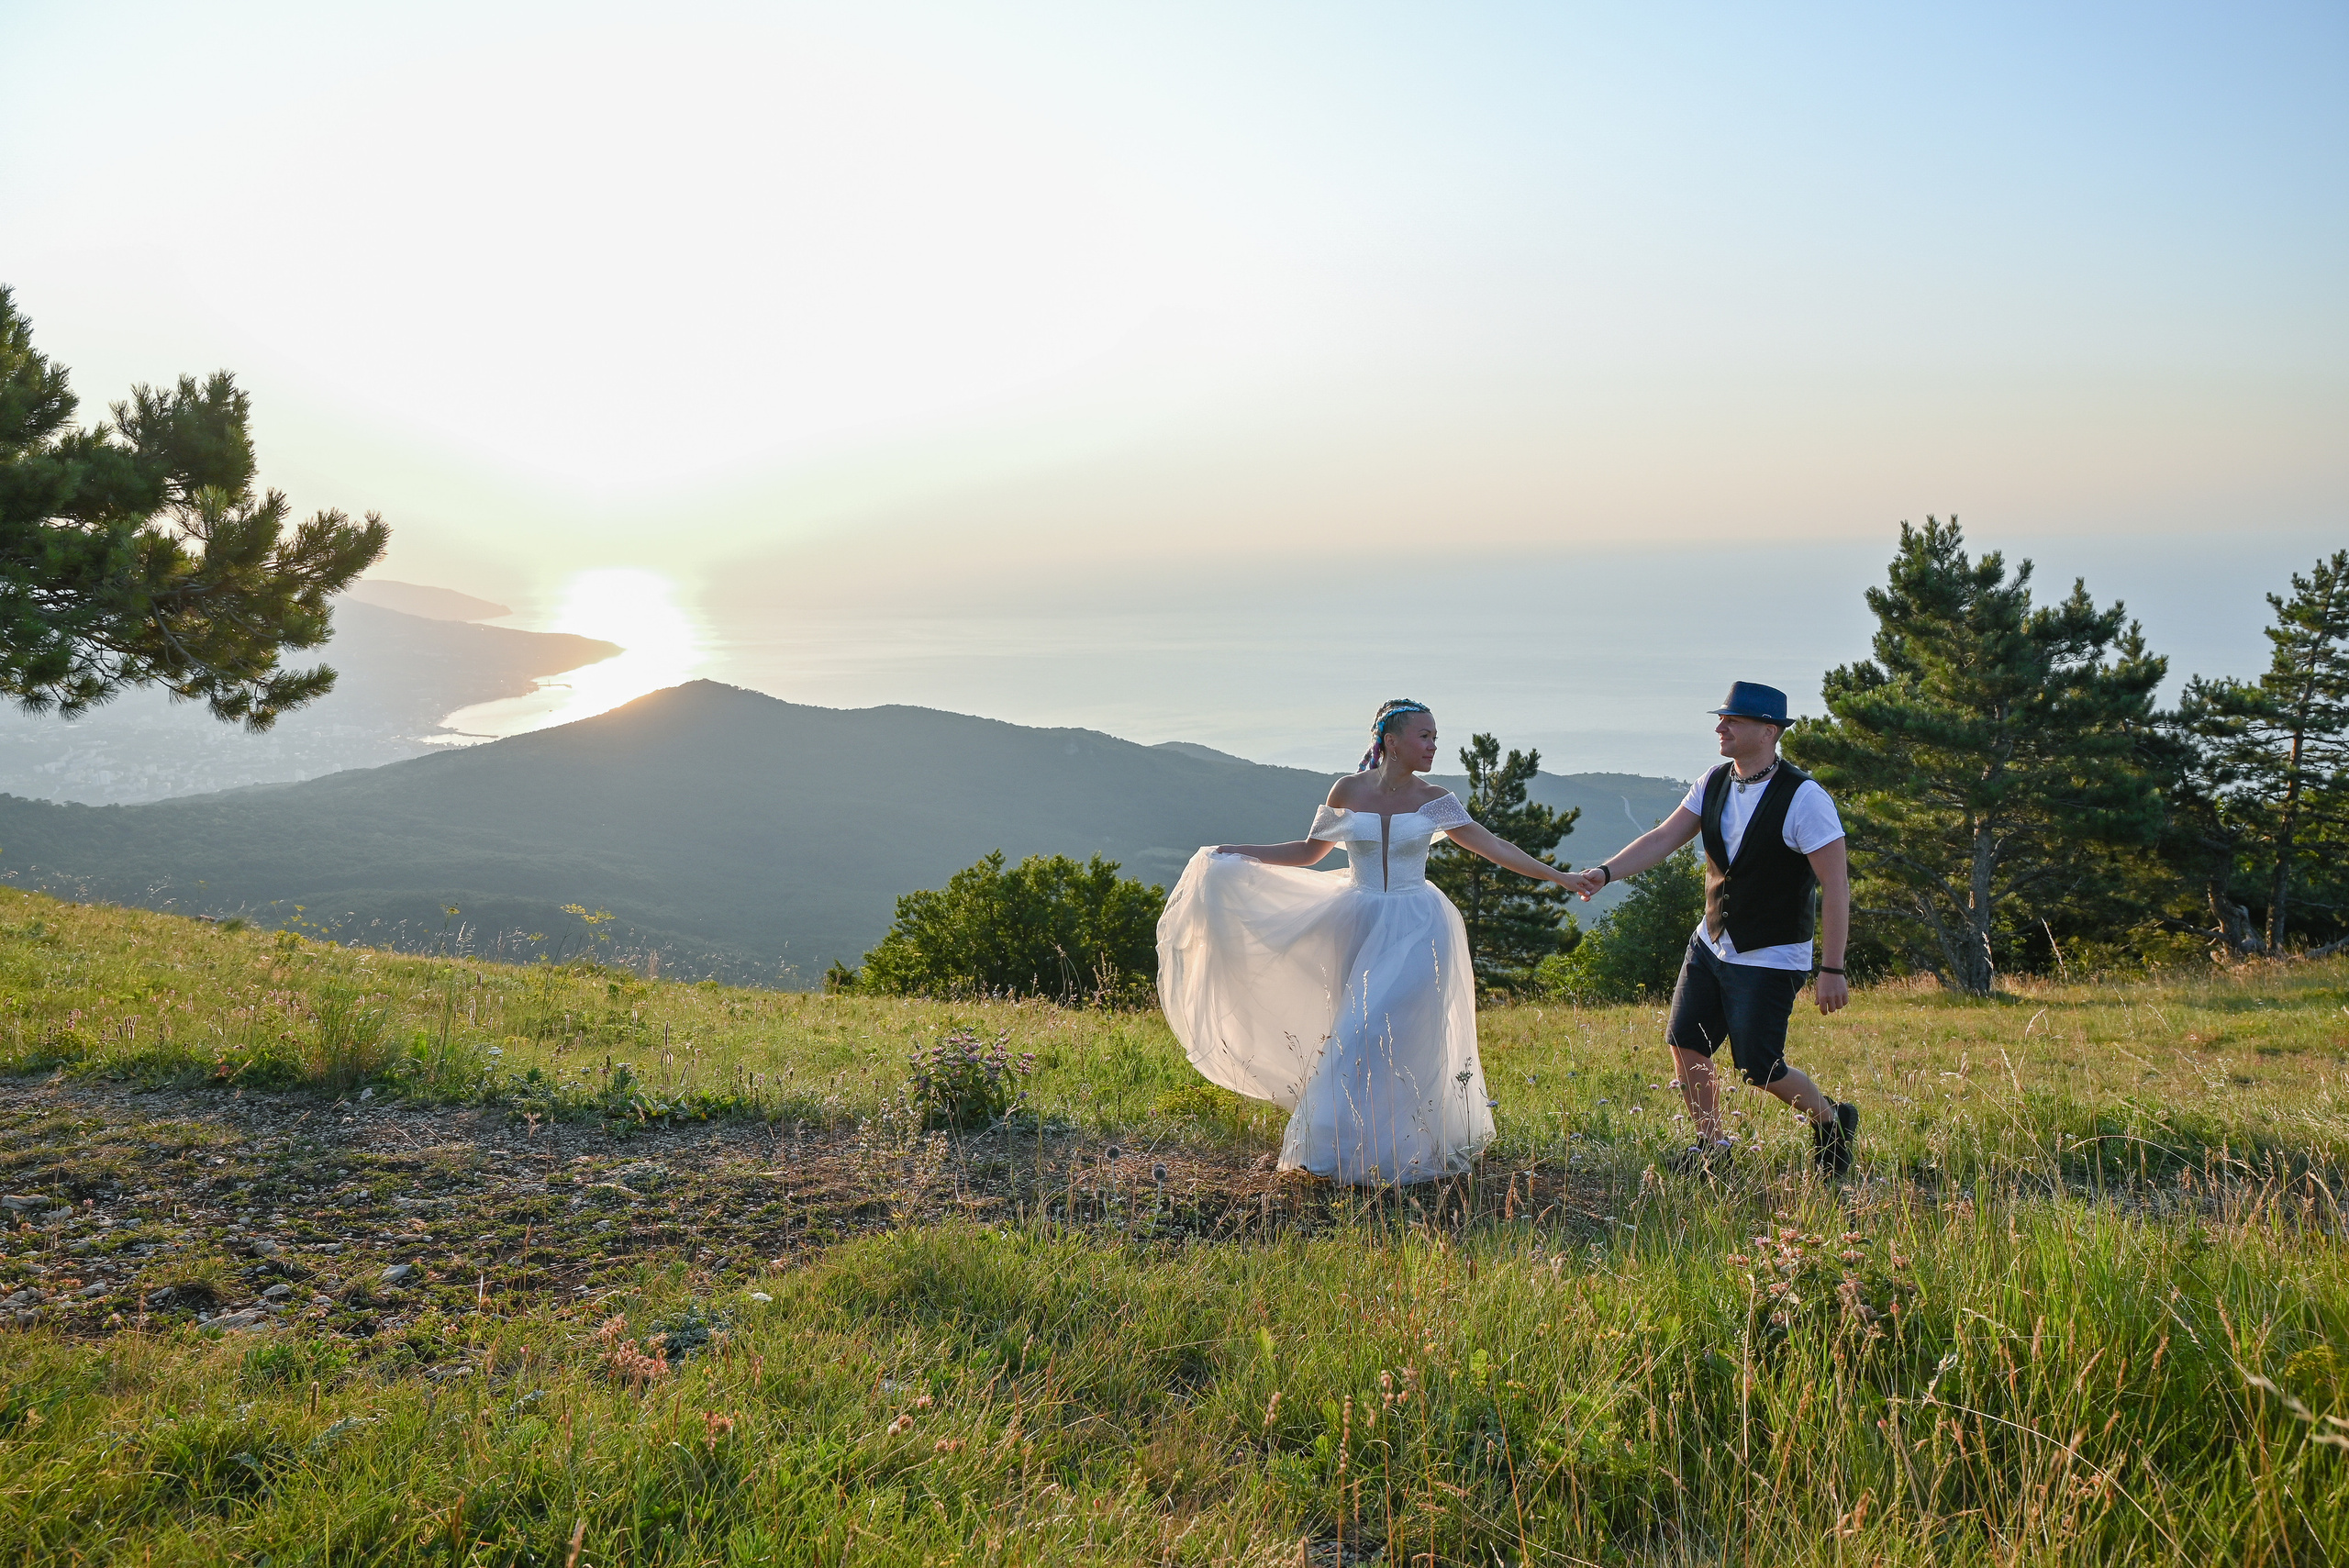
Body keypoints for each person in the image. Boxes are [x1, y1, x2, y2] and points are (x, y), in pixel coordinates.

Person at [1156, 699, 1583, 1185]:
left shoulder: (1436, 799)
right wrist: (1234, 853)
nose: (1433, 746)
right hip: (1355, 922)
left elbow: (1496, 847)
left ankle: (1405, 1152)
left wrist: (1561, 878)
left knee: (1389, 1033)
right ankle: (1340, 1151)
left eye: (1435, 737)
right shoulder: (1347, 790)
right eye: (1425, 736)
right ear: (1391, 741)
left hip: (1418, 923)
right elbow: (1309, 852)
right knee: (1354, 1038)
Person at [1564, 682, 1859, 1177]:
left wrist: (1832, 969)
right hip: (1712, 942)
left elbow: (1836, 884)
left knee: (1759, 1067)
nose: (1720, 727)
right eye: (1722, 718)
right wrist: (1606, 873)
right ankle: (1712, 1147)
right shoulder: (1714, 781)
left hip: (1771, 953)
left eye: (1732, 720)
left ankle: (1832, 1118)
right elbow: (1663, 837)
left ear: (1768, 731)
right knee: (1685, 1040)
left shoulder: (1804, 798)